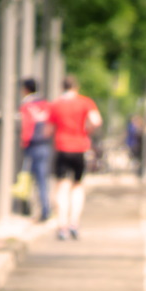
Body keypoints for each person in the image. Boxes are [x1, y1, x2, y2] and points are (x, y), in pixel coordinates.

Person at [48, 75, 103, 240]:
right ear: (76, 87)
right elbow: (96, 121)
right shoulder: (85, 102)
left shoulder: (56, 104)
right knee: (77, 186)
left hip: (62, 147)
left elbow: (48, 129)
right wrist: (86, 132)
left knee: (61, 187)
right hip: (80, 147)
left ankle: (62, 225)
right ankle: (74, 223)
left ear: (61, 87)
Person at [19, 78, 52, 221]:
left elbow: (26, 125)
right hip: (44, 145)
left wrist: (24, 142)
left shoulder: (26, 105)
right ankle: (45, 208)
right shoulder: (45, 104)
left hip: (31, 145)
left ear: (25, 89)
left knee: (27, 177)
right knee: (42, 179)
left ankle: (27, 208)